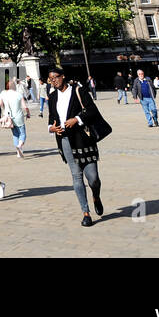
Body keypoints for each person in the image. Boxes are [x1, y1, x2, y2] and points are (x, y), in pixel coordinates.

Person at [45, 67, 106, 226]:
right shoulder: (52, 97)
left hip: (83, 138)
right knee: (76, 176)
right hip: (65, 139)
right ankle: (85, 213)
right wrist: (51, 128)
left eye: (56, 77)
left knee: (93, 178)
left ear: (63, 76)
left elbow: (92, 110)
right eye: (51, 79)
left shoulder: (79, 91)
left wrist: (77, 119)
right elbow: (52, 118)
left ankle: (96, 196)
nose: (54, 81)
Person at [0, 79, 30, 158]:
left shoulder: (4, 94)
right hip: (18, 117)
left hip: (9, 117)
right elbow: (24, 106)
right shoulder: (18, 94)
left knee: (15, 134)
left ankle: (18, 152)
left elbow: (0, 103)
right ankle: (19, 146)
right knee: (22, 134)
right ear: (14, 86)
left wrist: (4, 109)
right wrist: (28, 113)